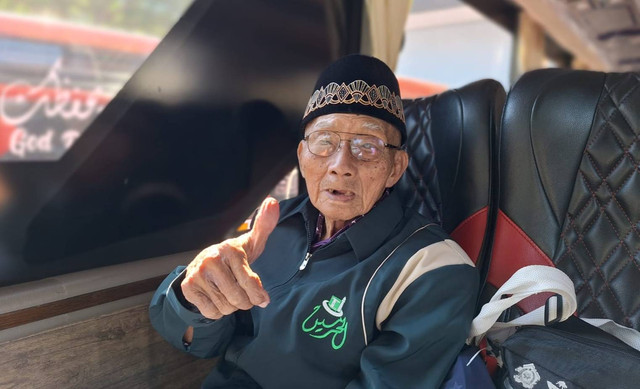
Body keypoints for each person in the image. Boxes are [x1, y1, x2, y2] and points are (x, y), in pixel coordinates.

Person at [149, 54, 478, 388]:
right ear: (302, 156)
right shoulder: (271, 222)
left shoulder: (433, 269)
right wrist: (196, 294)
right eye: (324, 141)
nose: (341, 164)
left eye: (367, 146)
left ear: (396, 167)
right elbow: (201, 342)